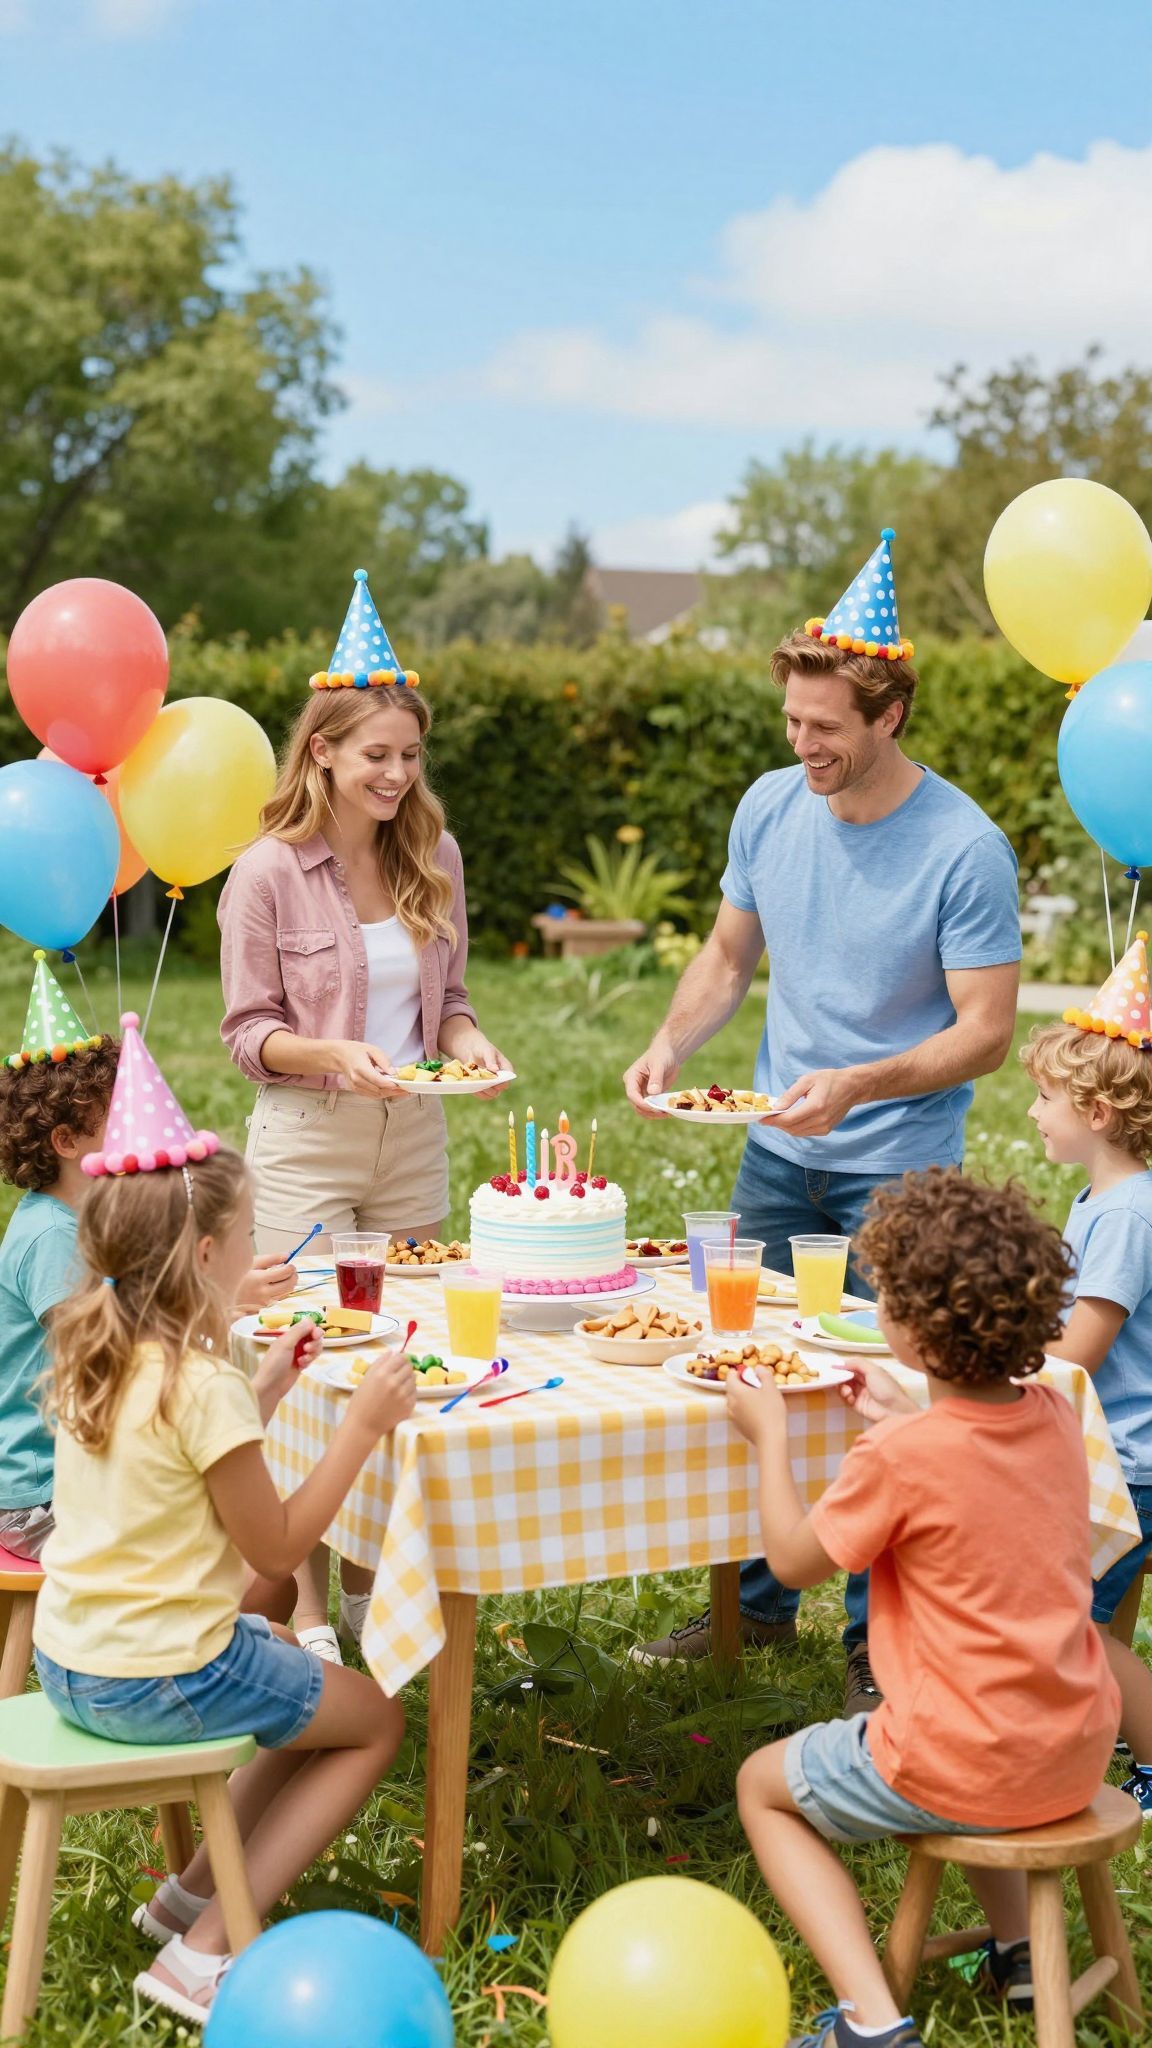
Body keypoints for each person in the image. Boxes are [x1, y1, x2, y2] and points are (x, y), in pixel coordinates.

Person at [624, 532, 1020, 1711]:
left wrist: (859, 1083)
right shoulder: (770, 806)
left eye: (826, 727)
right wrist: (669, 1041)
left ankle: (873, 1648)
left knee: (876, 1401)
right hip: (772, 1152)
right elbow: (729, 951)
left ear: (891, 710)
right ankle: (748, 1606)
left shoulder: (964, 847)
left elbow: (986, 1030)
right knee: (752, 1365)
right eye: (792, 722)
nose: (803, 747)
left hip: (893, 1169)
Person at [727, 1170, 1122, 2048]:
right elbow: (975, 1473)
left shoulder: (904, 1456)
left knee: (760, 1788)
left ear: (908, 1329)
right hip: (1070, 1743)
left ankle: (871, 2021)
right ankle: (1022, 1955)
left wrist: (771, 1440)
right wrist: (897, 1414)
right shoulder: (1056, 1416)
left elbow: (792, 1563)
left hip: (964, 1758)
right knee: (988, 1733)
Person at [34, 1137, 416, 2026]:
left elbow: (177, 1470)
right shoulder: (202, 1383)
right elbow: (277, 1548)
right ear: (206, 1256)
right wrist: (358, 1428)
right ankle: (204, 1957)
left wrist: (267, 1386)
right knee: (373, 1721)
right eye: (248, 1233)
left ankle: (187, 1899)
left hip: (73, 1660)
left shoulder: (101, 1348)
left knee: (286, 1652)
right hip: (160, 1672)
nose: (256, 1249)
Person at [218, 569, 510, 1661]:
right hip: (307, 1133)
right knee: (305, 1353)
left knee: (399, 1347)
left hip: (411, 1137)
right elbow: (246, 1030)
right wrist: (332, 1053)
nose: (395, 772)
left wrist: (469, 1046)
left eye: (410, 754)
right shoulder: (267, 872)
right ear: (324, 751)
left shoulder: (435, 856)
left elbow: (456, 1004)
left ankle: (361, 1588)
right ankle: (293, 1605)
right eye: (375, 752)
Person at [0, 963, 295, 1562]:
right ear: (65, 1142)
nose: (133, 1124)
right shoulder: (50, 1236)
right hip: (42, 1490)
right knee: (216, 1521)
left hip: (82, 1458)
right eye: (116, 1116)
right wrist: (223, 1296)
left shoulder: (84, 1220)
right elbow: (116, 1352)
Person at [1023, 937, 1152, 1815]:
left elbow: (1079, 1351)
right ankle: (1101, 1732)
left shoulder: (1129, 1214)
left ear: (1099, 1111)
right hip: (1120, 1452)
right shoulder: (1107, 1200)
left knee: (1077, 1624)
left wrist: (997, 1354)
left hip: (1127, 1461)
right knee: (1099, 1621)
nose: (1033, 1112)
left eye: (1045, 1096)